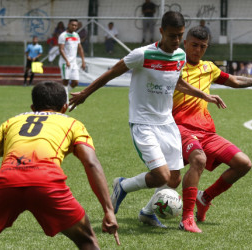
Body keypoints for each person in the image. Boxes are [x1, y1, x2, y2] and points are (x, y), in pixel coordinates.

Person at [69, 11, 226, 232]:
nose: (176, 41)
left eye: (179, 36)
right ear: (161, 31)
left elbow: (177, 82)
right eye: (172, 35)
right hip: (143, 123)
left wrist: (204, 95)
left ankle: (146, 212)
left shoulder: (180, 55)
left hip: (167, 123)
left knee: (173, 180)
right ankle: (123, 186)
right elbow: (112, 73)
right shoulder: (142, 55)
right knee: (161, 175)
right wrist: (85, 93)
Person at [0, 82, 120, 249]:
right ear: (65, 108)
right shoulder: (72, 123)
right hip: (46, 182)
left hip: (6, 182)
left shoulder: (11, 122)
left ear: (33, 108)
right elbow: (91, 162)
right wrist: (108, 210)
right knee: (86, 239)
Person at [157, 25, 252, 233]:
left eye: (202, 46)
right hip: (179, 128)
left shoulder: (208, 68)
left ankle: (204, 198)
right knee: (198, 160)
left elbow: (233, 80)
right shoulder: (174, 65)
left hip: (206, 131)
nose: (197, 50)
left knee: (243, 163)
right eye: (194, 45)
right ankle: (186, 218)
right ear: (185, 43)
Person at [58, 19, 86, 103]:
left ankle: (62, 93)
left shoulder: (76, 35)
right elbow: (61, 49)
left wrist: (83, 61)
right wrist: (66, 60)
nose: (74, 27)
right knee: (65, 81)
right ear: (68, 25)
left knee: (75, 82)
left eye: (75, 25)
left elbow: (80, 48)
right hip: (65, 63)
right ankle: (66, 102)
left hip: (73, 63)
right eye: (72, 25)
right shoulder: (63, 35)